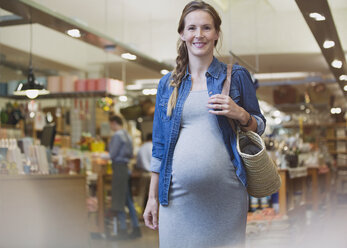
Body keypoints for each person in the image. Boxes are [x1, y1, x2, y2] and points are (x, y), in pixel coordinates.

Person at [143, 1, 266, 247]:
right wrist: (152, 198)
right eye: (192, 28)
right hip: (176, 199)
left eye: (206, 28)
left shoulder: (236, 76)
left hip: (227, 197)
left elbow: (259, 125)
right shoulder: (168, 84)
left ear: (217, 33)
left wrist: (240, 113)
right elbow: (159, 146)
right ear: (182, 34)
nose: (199, 35)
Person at [108, 115, 141, 240]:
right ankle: (136, 227)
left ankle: (122, 230)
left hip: (119, 169)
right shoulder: (127, 135)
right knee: (128, 200)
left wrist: (99, 156)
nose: (110, 127)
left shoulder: (117, 136)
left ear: (114, 123)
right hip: (126, 168)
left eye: (111, 124)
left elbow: (112, 154)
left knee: (119, 200)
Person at [136, 133, 153, 210]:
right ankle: (155, 215)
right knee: (153, 195)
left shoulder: (141, 148)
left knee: (142, 195)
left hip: (144, 174)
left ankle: (140, 214)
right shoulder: (154, 147)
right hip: (154, 175)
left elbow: (138, 163)